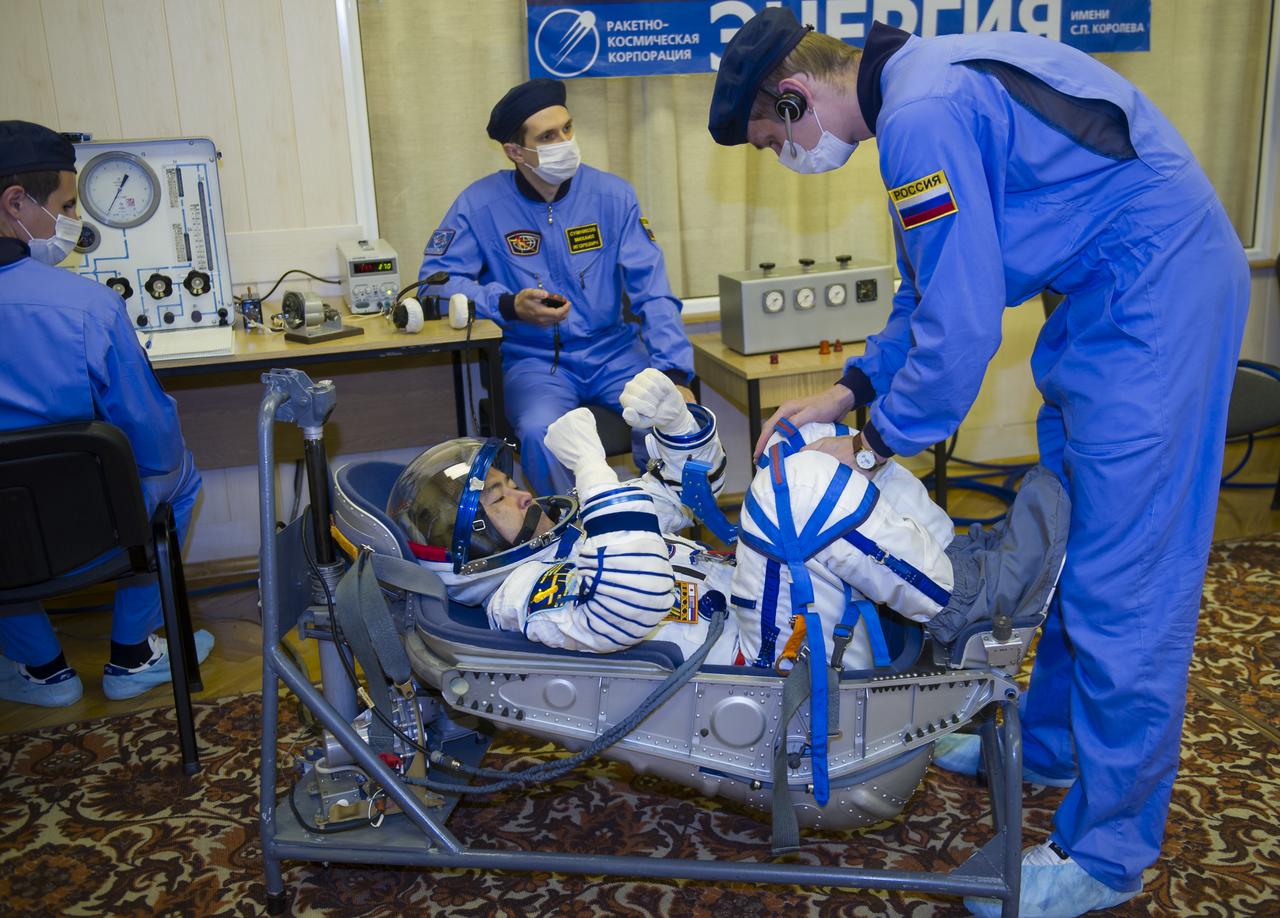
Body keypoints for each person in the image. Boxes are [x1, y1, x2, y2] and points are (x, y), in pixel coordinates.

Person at [706, 9, 1250, 916]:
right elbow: (932, 284)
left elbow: (960, 326)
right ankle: (1048, 747)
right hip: (1110, 298)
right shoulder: (918, 92)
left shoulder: (921, 115)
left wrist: (875, 442)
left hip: (1159, 296)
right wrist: (848, 392)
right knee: (1080, 542)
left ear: (796, 94)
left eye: (775, 137)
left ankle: (1108, 854)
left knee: (1130, 579)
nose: (785, 156)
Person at [387, 368, 1064, 675]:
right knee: (794, 488)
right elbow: (634, 595)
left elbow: (679, 496)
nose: (521, 493)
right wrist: (593, 469)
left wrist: (679, 427)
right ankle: (963, 608)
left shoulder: (563, 540)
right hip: (757, 671)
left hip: (759, 622)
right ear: (472, 539)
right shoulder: (519, 597)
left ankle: (954, 563)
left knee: (813, 438)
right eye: (500, 496)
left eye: (511, 481)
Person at [0, 120, 214, 708]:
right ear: (15, 203)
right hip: (86, 529)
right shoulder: (87, 306)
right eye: (65, 205)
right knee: (178, 477)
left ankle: (41, 668)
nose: (70, 220)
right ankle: (131, 655)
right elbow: (155, 441)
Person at [418, 78, 696, 496]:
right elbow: (432, 287)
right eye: (548, 136)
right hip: (534, 362)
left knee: (666, 409)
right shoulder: (481, 205)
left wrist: (675, 372)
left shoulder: (612, 196)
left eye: (567, 128)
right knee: (539, 432)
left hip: (615, 351)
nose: (565, 141)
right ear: (515, 151)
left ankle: (664, 525)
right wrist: (508, 304)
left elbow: (653, 292)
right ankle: (570, 536)